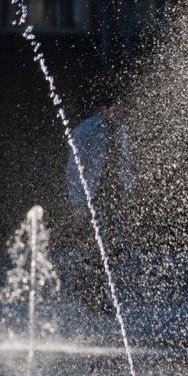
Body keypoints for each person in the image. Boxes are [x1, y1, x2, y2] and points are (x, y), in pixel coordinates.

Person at [64, 101, 133, 310]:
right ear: (104, 108)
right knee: (99, 247)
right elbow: (74, 169)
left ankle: (89, 287)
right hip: (93, 197)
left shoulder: (120, 129)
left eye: (123, 108)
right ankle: (94, 294)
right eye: (117, 108)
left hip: (113, 197)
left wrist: (128, 190)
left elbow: (124, 162)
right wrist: (78, 203)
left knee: (116, 247)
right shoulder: (86, 131)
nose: (121, 112)